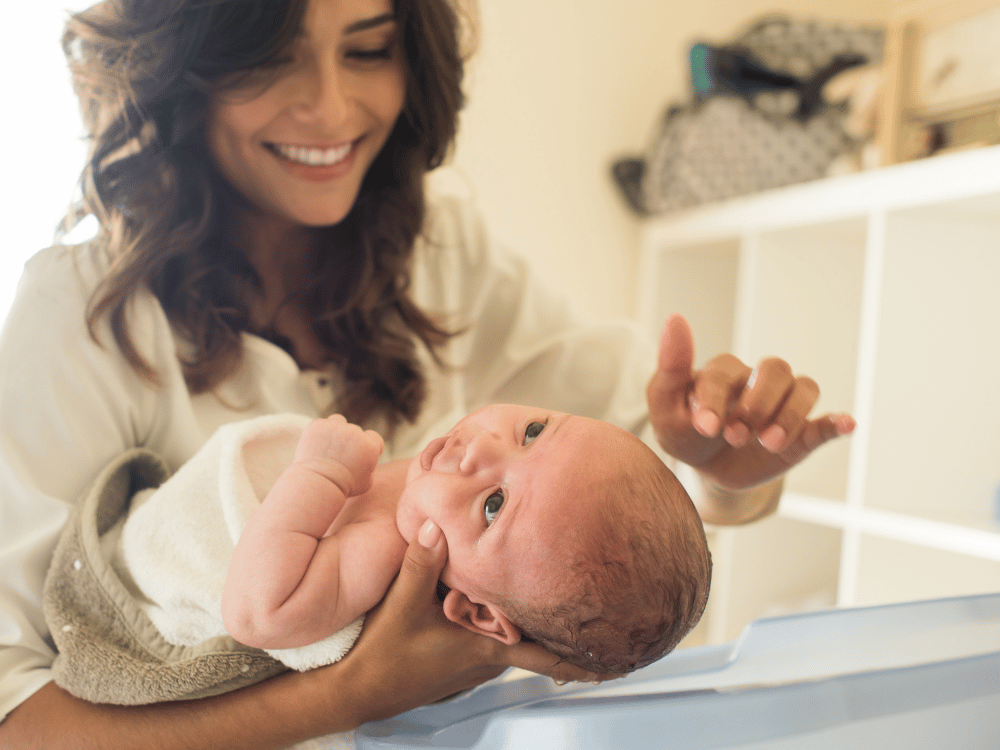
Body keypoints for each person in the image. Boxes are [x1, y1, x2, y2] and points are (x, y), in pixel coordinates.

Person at [0, 0, 855, 746]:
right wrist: (349, 694)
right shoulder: (83, 314)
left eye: (368, 49)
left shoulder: (442, 253)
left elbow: (616, 514)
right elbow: (17, 721)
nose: (331, 107)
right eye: (268, 56)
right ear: (180, 66)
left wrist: (718, 470)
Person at [45, 403, 709, 703]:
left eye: (494, 505)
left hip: (135, 592)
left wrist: (319, 475)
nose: (482, 448)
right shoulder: (434, 493)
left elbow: (255, 612)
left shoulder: (383, 550)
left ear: (479, 613)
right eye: (533, 430)